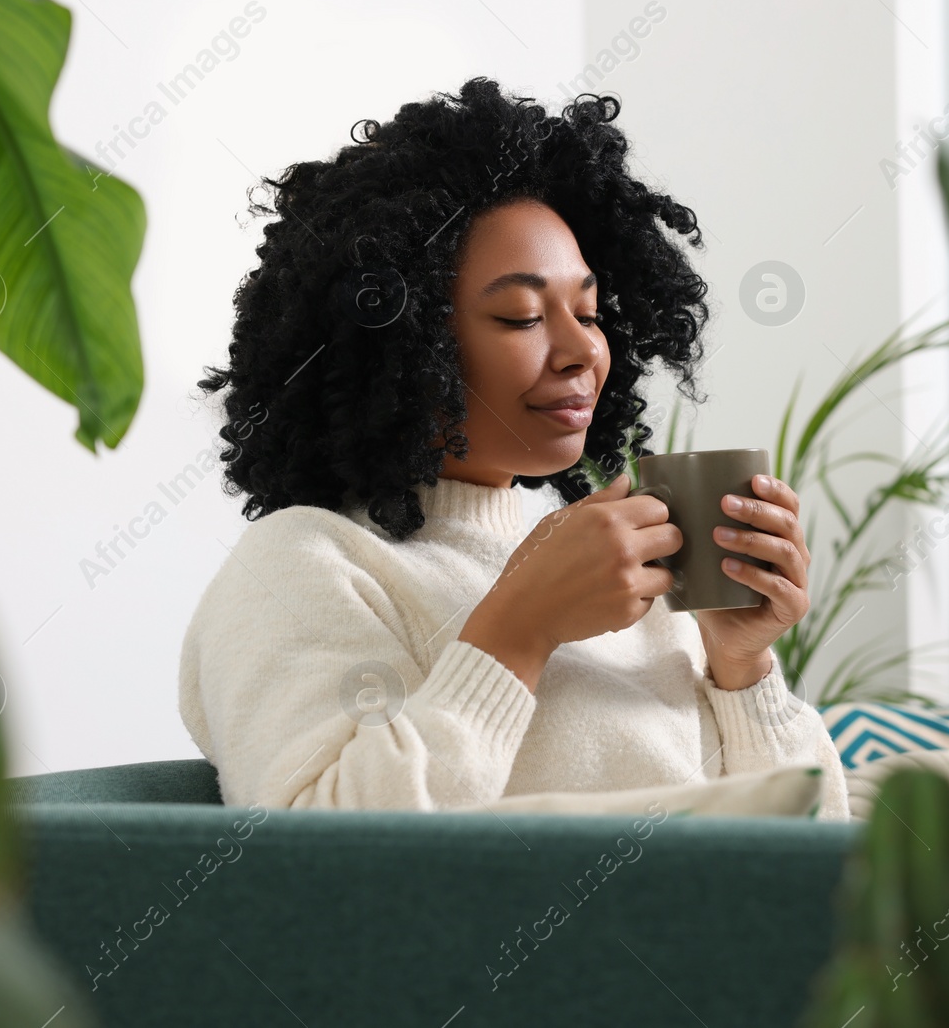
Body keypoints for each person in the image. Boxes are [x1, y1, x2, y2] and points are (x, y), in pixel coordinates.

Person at [179, 76, 849, 820]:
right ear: (403, 339)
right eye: (522, 315)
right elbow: (319, 855)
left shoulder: (619, 566)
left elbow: (810, 855)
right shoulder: (302, 564)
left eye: (589, 312)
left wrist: (742, 664)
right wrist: (519, 629)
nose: (580, 351)